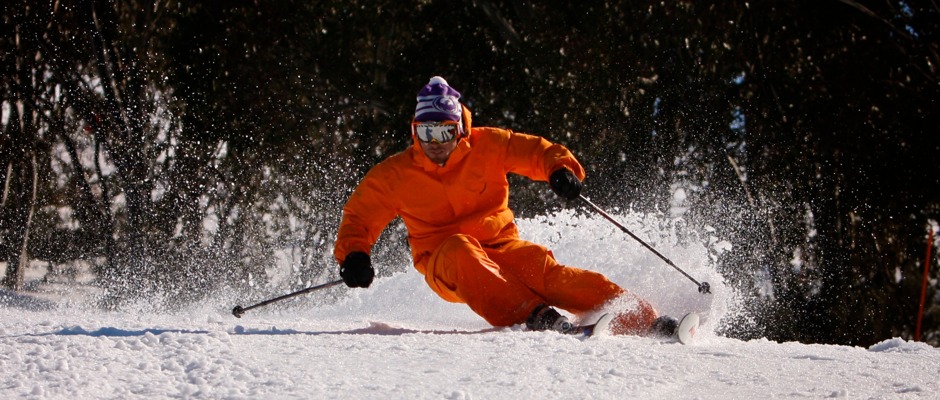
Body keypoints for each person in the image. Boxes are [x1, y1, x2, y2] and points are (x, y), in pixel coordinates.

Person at [334, 76, 677, 337]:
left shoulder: (489, 144)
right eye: (426, 134)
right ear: (415, 132)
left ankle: (645, 318)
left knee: (546, 274)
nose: (434, 145)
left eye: (444, 133)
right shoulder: (397, 173)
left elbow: (536, 151)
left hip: (501, 245)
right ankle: (536, 316)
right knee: (459, 248)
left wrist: (560, 170)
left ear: (461, 130)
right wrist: (355, 255)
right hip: (444, 261)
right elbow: (360, 216)